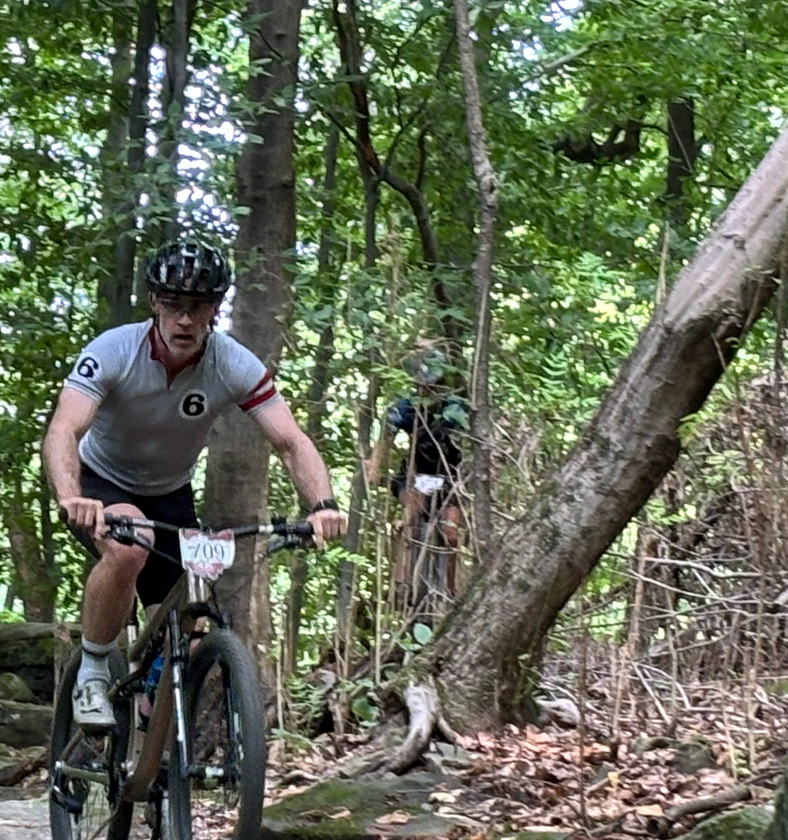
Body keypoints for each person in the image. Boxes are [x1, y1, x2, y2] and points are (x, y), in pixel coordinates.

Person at [42, 239, 347, 729]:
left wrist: (322, 505)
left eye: (199, 306)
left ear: (215, 309)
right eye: (173, 304)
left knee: (190, 625)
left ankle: (154, 734)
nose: (185, 319)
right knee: (130, 545)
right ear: (154, 303)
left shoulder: (231, 363)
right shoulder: (114, 350)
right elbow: (64, 428)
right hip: (101, 480)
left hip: (170, 492)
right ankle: (94, 671)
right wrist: (69, 495)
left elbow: (290, 441)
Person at [368, 346, 470, 610]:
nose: (427, 390)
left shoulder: (455, 408)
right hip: (415, 475)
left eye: (432, 385)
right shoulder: (405, 406)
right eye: (422, 385)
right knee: (409, 520)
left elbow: (472, 444)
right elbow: (385, 439)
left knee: (451, 532)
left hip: (449, 478)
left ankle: (451, 592)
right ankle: (401, 588)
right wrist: (375, 468)